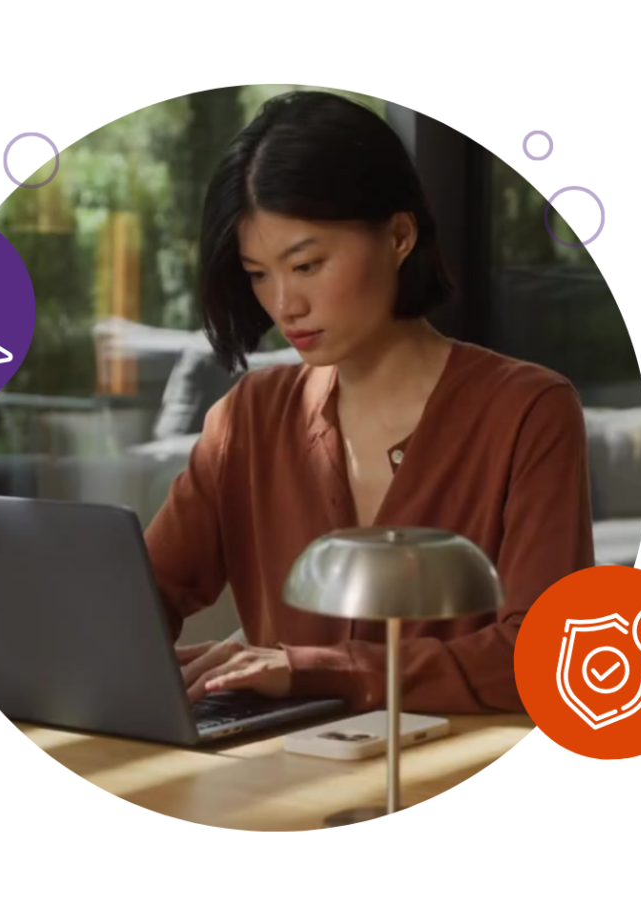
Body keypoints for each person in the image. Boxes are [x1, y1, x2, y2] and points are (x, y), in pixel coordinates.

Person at [146, 91, 594, 715]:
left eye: (307, 265)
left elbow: (547, 654)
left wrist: (312, 670)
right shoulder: (249, 417)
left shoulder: (528, 411)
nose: (284, 305)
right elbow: (137, 598)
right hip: (275, 764)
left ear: (399, 236)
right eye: (258, 274)